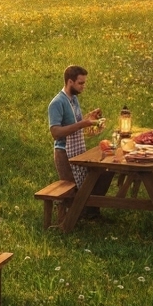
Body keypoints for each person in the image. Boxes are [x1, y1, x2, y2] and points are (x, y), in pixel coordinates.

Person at [48, 65, 108, 220]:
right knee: (72, 189)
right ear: (70, 82)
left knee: (101, 175)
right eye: (80, 83)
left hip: (78, 150)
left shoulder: (74, 100)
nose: (83, 86)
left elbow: (74, 123)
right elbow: (55, 132)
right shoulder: (57, 103)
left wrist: (90, 119)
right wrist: (83, 124)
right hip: (64, 152)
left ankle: (91, 211)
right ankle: (71, 218)